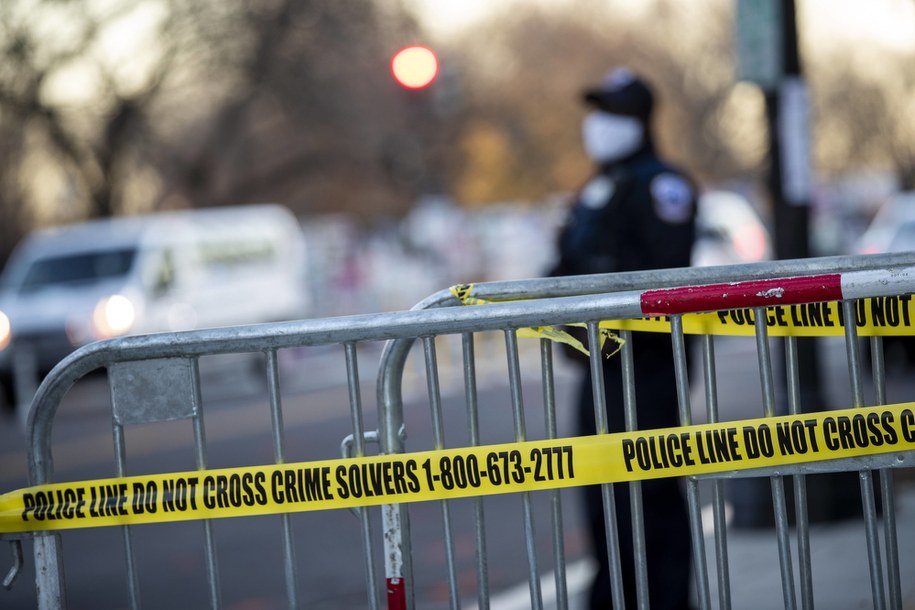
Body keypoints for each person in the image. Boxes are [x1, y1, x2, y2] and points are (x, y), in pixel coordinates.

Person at [550, 67, 696, 609]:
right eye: (598, 112)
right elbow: (564, 266)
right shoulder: (596, 188)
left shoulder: (663, 185)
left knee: (652, 498)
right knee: (601, 495)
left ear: (638, 120)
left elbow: (662, 269)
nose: (599, 124)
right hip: (599, 366)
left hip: (648, 367)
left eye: (611, 113)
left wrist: (593, 277)